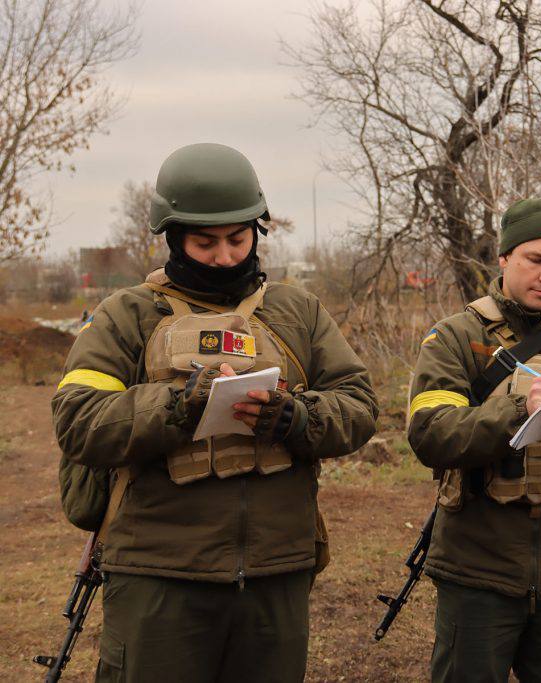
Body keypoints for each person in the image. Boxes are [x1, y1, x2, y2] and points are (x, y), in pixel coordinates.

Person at [51, 143, 379, 682]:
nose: (225, 257)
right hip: (159, 575)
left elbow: (359, 404)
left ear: (257, 231)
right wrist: (179, 405)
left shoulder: (297, 312)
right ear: (173, 237)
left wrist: (294, 417)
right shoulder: (126, 316)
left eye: (238, 239)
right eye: (206, 243)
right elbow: (79, 420)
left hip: (277, 574)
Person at [406, 198, 541, 682]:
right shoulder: (456, 337)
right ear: (503, 259)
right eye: (535, 260)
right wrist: (520, 410)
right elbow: (430, 433)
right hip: (477, 573)